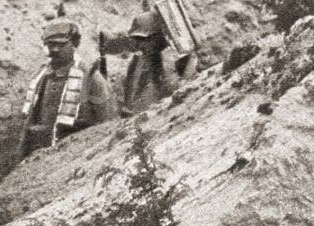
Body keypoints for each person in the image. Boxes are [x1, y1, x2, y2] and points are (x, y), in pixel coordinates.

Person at [19, 4, 116, 159]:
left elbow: (107, 125)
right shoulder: (41, 78)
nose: (55, 50)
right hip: (40, 159)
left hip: (76, 157)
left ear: (74, 43)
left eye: (61, 44)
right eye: (51, 44)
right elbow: (28, 126)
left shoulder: (90, 77)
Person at [104, 2, 196, 118]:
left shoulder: (152, 54)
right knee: (150, 72)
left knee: (149, 71)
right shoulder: (158, 51)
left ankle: (139, 103)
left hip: (157, 47)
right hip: (158, 47)